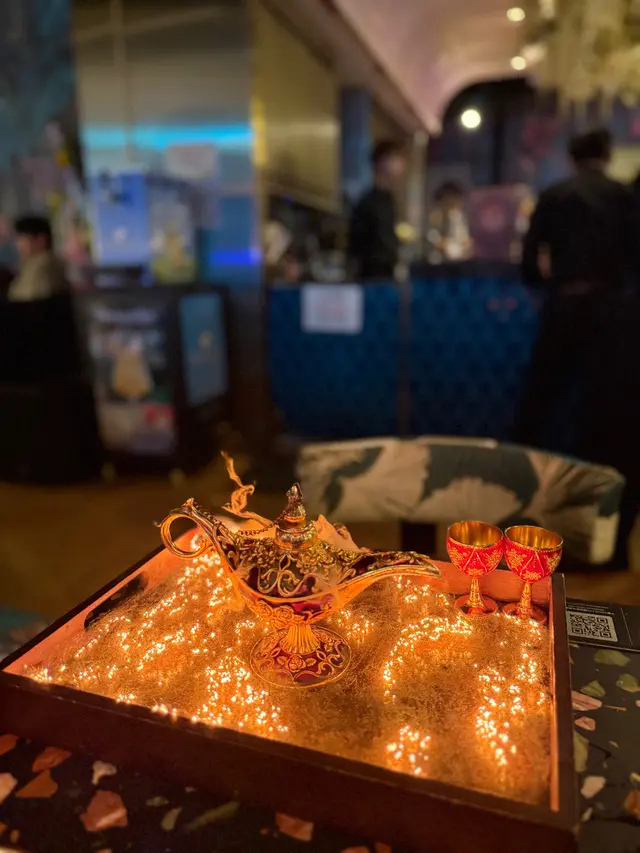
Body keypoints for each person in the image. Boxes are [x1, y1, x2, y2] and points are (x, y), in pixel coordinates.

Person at [514, 128, 639, 566]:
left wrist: (553, 283)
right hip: (613, 319)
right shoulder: (624, 196)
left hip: (563, 310)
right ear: (606, 155)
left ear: (571, 157)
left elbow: (528, 265)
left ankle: (516, 518)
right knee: (604, 422)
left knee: (535, 413)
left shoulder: (553, 195)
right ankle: (601, 539)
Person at [347, 140, 406, 279]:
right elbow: (355, 245)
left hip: (388, 274)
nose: (401, 164)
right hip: (371, 276)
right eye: (396, 159)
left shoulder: (390, 200)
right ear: (382, 162)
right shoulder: (366, 203)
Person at [8, 215, 67, 302]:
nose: (18, 245)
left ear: (40, 240)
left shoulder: (42, 267)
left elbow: (31, 302)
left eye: (22, 239)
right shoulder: (34, 264)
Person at [426, 181, 472, 263]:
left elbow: (464, 239)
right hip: (437, 262)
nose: (454, 203)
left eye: (457, 200)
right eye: (449, 200)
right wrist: (443, 243)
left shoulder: (458, 217)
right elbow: (433, 238)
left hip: (459, 261)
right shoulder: (435, 217)